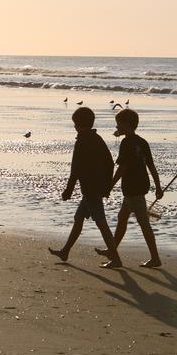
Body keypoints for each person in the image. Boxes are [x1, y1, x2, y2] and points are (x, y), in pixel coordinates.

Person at [48, 107, 123, 268]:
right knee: (79, 219)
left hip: (90, 189)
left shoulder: (82, 141)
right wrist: (107, 185)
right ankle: (65, 251)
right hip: (95, 187)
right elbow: (109, 163)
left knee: (101, 223)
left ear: (78, 124)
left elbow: (75, 169)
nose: (74, 127)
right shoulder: (97, 138)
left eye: (75, 123)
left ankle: (116, 258)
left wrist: (68, 190)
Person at [96, 108, 163, 268]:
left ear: (127, 125)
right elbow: (151, 166)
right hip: (140, 186)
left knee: (143, 224)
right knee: (122, 218)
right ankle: (112, 251)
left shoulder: (126, 143)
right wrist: (158, 187)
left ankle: (154, 258)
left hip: (132, 188)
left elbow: (122, 168)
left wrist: (109, 186)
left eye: (119, 124)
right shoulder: (142, 142)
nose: (117, 127)